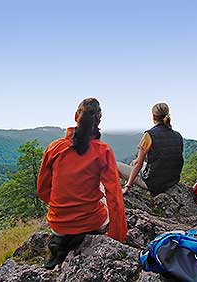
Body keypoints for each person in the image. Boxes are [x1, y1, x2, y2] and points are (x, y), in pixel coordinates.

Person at [37, 98, 127, 270]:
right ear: (99, 120)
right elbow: (114, 197)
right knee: (102, 189)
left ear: (75, 116)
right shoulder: (103, 150)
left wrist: (65, 207)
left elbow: (43, 191)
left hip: (58, 226)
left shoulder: (53, 148)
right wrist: (117, 236)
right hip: (91, 223)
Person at [118, 102, 184, 196]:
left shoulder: (149, 135)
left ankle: (124, 186)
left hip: (154, 184)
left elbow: (138, 164)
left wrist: (127, 187)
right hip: (172, 180)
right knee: (134, 162)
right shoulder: (178, 136)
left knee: (116, 165)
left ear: (154, 117)